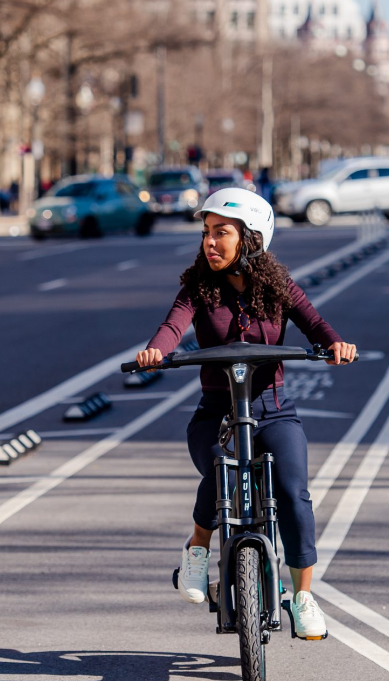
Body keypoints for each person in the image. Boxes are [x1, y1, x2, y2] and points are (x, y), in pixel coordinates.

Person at [134, 188, 358, 641]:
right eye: (206, 233)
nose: (209, 243)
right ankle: (198, 550)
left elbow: (315, 322)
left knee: (294, 494)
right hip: (216, 413)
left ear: (251, 239)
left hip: (273, 411)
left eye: (221, 233)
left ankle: (303, 597)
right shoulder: (196, 288)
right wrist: (157, 350)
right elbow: (173, 325)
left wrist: (335, 343)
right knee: (222, 471)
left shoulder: (278, 287)